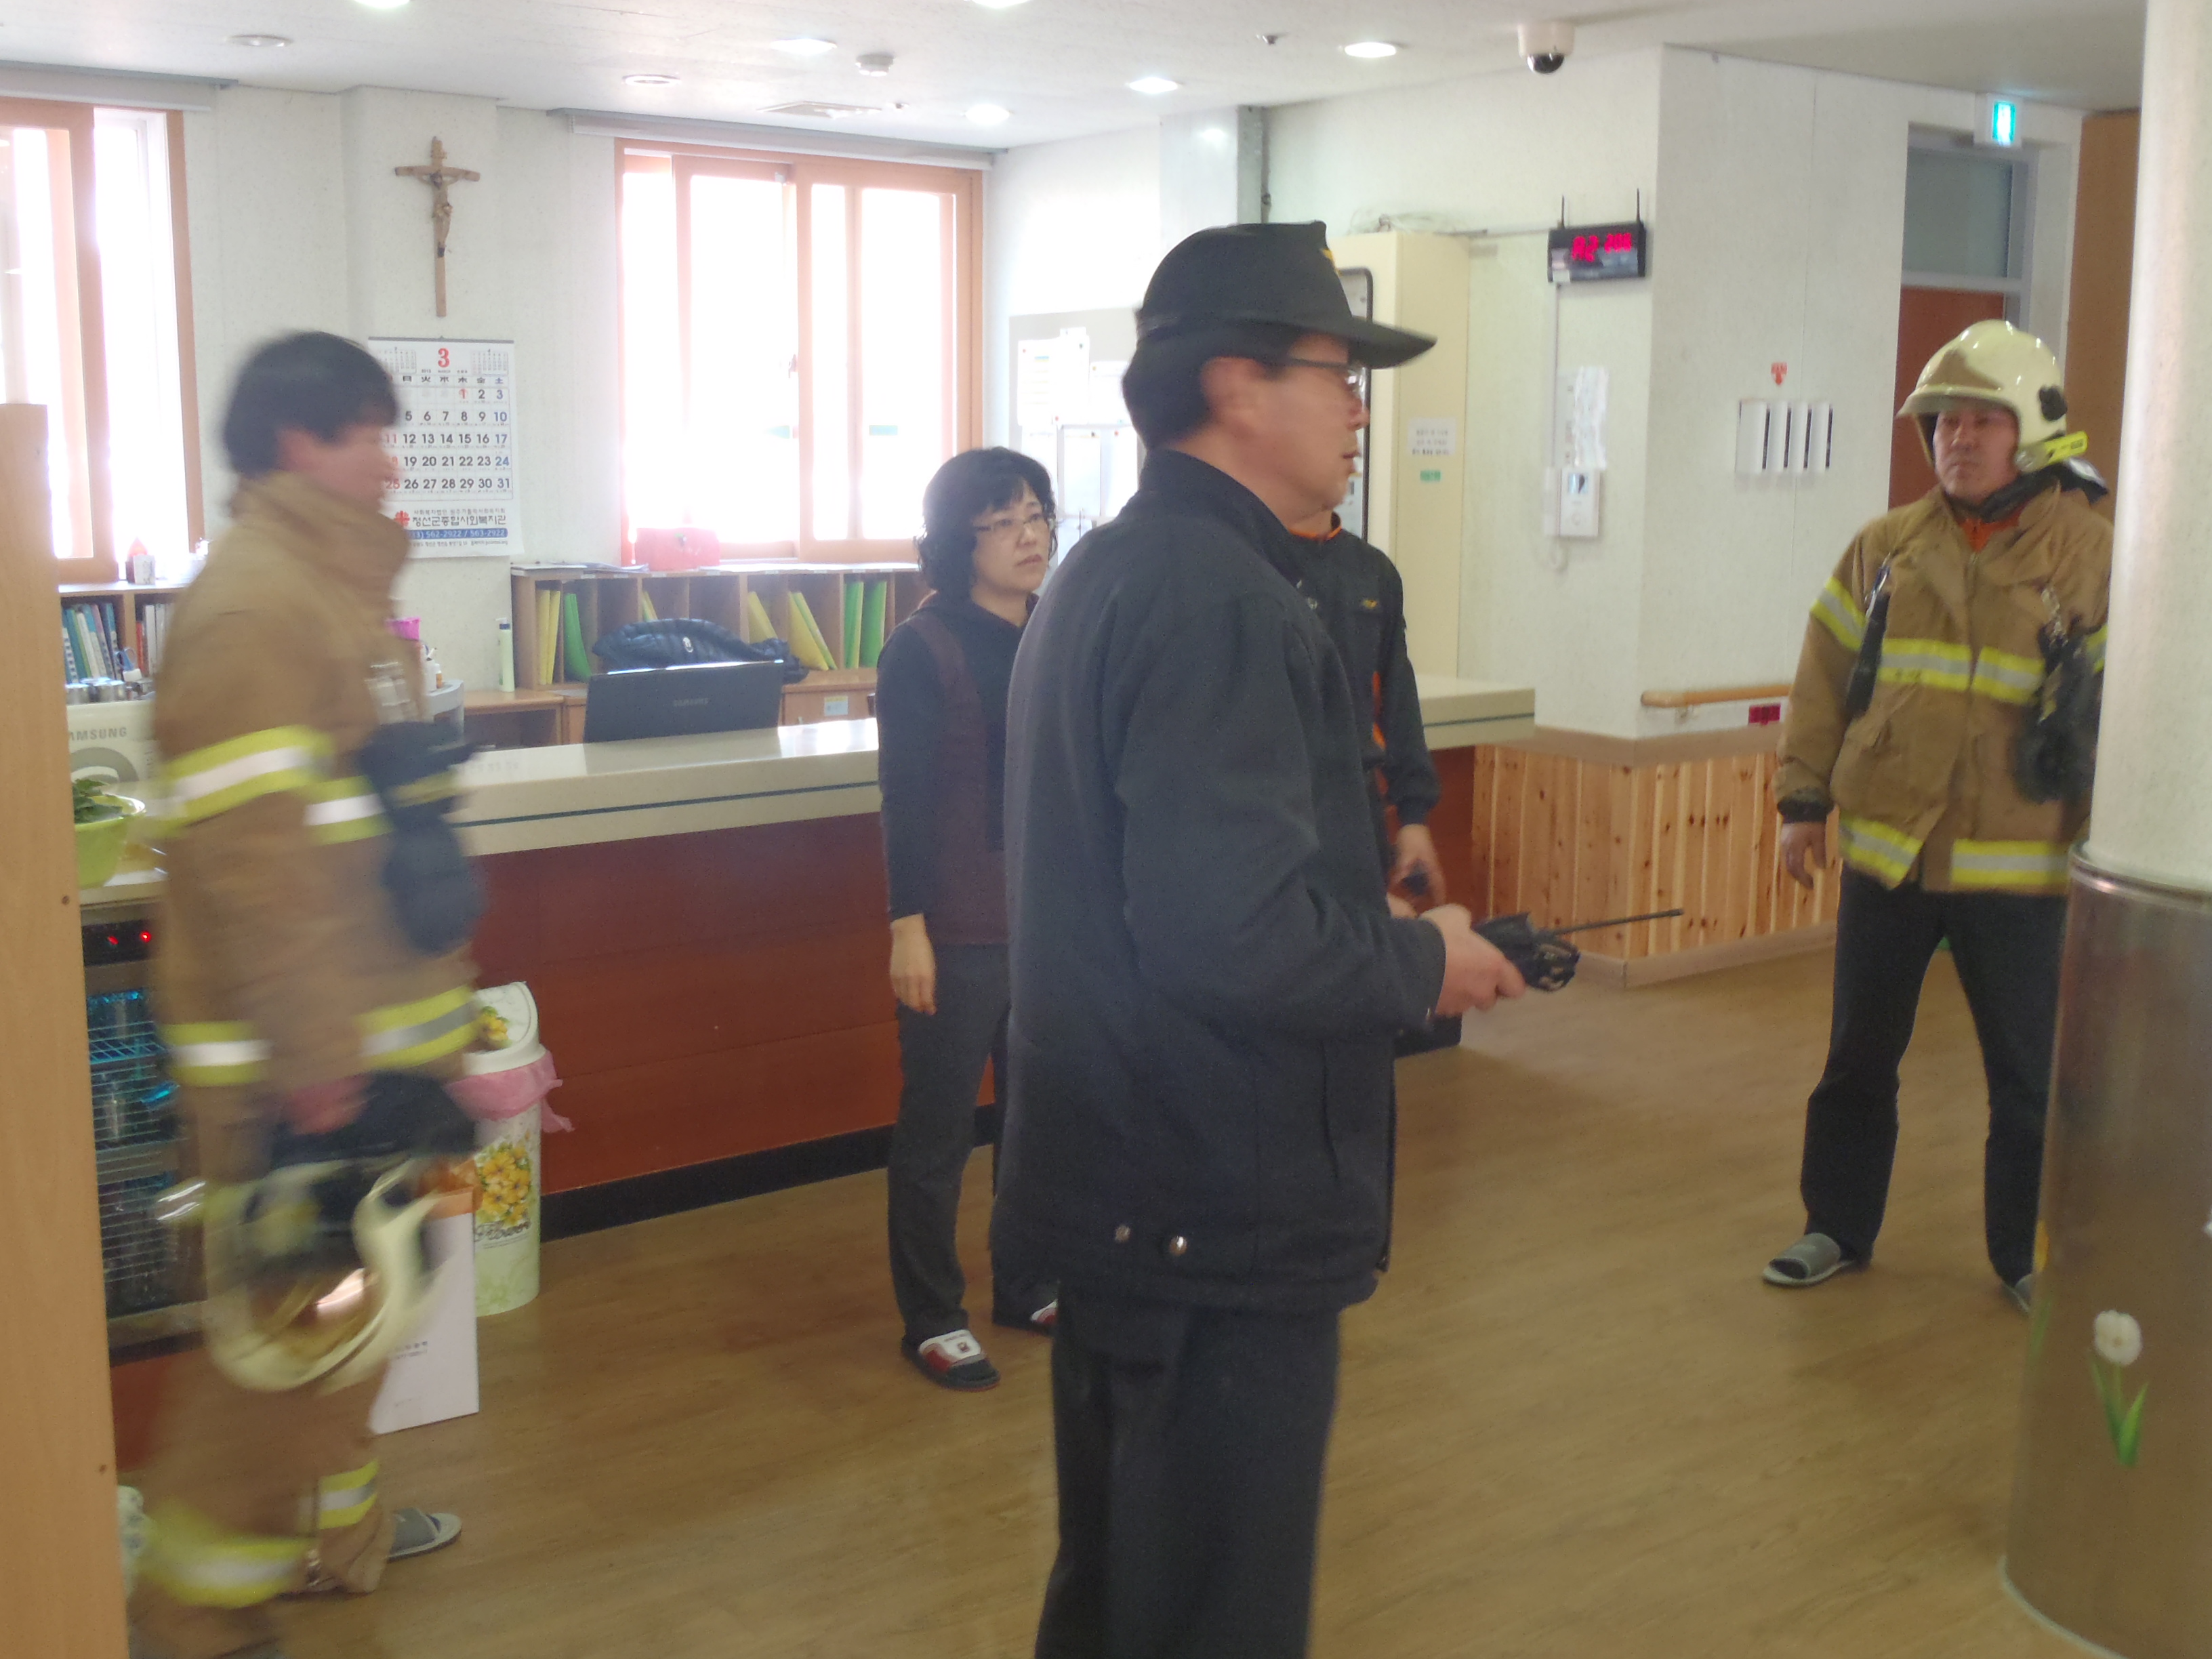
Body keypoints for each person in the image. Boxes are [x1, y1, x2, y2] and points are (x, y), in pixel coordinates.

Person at [994, 222, 1525, 1659]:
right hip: (1209, 1205)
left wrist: (1374, 919)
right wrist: (1424, 963)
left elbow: (1185, 891)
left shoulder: (1113, 569)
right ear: (1236, 383)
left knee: (1120, 1586)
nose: (1358, 408)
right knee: (1210, 1609)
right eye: (1336, 373)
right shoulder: (1218, 599)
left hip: (1121, 1184)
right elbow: (1226, 937)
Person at [133, 333, 480, 1659]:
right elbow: (259, 865)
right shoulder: (256, 609)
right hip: (309, 1076)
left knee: (350, 1335)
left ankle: (336, 1545)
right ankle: (191, 1615)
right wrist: (322, 1056)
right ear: (297, 443)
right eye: (367, 434)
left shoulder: (340, 594)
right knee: (283, 1357)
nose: (389, 461)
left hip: (385, 1060)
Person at [1764, 319, 2111, 1311]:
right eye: (1945, 422)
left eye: (1980, 421)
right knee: (1856, 1061)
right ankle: (1834, 1226)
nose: (1957, 439)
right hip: (1890, 859)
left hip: (2021, 869)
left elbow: (2123, 713)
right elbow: (1825, 678)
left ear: (2032, 433)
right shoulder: (1886, 548)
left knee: (2027, 1080)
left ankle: (2026, 1258)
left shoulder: (2090, 556)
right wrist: (1802, 802)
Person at [876, 447, 1061, 1391]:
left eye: (1036, 515)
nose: (1029, 537)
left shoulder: (1054, 628)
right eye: (1002, 523)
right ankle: (933, 1316)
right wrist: (907, 925)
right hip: (955, 927)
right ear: (959, 541)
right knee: (939, 1133)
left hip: (1048, 923)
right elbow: (902, 797)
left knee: (1037, 1124)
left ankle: (1027, 1285)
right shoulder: (924, 646)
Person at [1285, 508, 1445, 897]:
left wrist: (1413, 818)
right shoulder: (1252, 560)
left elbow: (1398, 697)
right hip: (1281, 812)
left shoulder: (1373, 570)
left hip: (1357, 809)